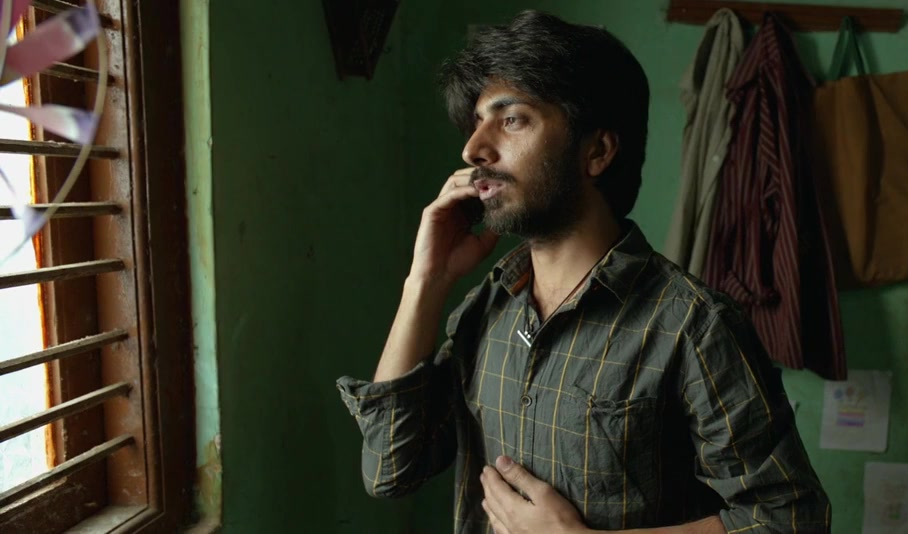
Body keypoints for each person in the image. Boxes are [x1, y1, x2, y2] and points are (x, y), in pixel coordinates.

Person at [336, 10, 830, 534]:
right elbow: (390, 467)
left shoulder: (694, 327)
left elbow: (790, 520)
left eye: (512, 119)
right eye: (477, 122)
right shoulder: (488, 308)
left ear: (597, 151)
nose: (473, 149)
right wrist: (426, 281)